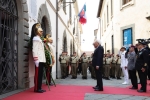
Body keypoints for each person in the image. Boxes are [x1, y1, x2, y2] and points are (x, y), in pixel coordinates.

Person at [31, 23, 46, 93]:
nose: (42, 32)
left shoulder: (39, 39)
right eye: (40, 31)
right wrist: (35, 59)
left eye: (42, 31)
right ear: (37, 32)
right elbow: (34, 49)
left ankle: (39, 87)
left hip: (41, 59)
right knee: (38, 75)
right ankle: (37, 88)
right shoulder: (36, 38)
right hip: (38, 59)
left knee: (40, 74)